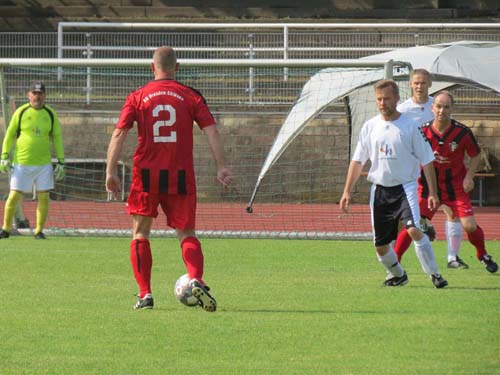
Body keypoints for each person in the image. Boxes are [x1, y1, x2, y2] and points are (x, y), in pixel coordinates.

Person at [106, 46, 232, 312]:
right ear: (177, 67)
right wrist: (221, 166)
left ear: (153, 67)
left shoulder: (138, 96)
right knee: (186, 233)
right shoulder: (190, 96)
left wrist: (110, 171)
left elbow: (119, 134)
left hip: (146, 175)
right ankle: (195, 278)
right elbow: (211, 131)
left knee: (140, 233)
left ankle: (145, 294)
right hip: (181, 175)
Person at [340, 79, 448, 288]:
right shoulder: (370, 126)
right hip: (380, 191)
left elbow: (427, 160)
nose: (382, 103)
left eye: (387, 99)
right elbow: (357, 161)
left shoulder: (410, 125)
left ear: (397, 99)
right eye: (379, 99)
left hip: (405, 187)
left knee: (414, 229)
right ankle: (398, 275)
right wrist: (347, 191)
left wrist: (433, 193)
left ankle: (435, 274)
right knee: (380, 246)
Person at [393, 91, 498, 273]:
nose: (442, 110)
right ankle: (395, 262)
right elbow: (410, 154)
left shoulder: (462, 132)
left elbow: (475, 155)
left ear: (452, 109)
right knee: (412, 224)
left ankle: (482, 254)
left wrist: (469, 176)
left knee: (469, 225)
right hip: (427, 188)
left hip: (456, 187)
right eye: (439, 106)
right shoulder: (422, 131)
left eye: (446, 107)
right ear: (432, 108)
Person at [395, 68, 461, 265]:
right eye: (416, 82)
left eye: (423, 83)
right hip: (412, 171)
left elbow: (451, 132)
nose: (419, 86)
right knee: (407, 215)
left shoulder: (438, 105)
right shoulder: (403, 109)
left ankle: (452, 257)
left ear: (430, 84)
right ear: (410, 84)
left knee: (450, 209)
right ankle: (396, 255)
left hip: (438, 169)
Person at [0, 81, 65, 240]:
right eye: (34, 93)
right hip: (21, 163)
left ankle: (38, 231)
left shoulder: (50, 113)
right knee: (14, 196)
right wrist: (4, 155)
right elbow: (9, 134)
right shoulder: (21, 112)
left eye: (40, 93)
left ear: (45, 95)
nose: (37, 96)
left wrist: (61, 161)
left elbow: (56, 137)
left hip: (43, 165)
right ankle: (6, 229)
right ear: (29, 95)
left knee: (43, 197)